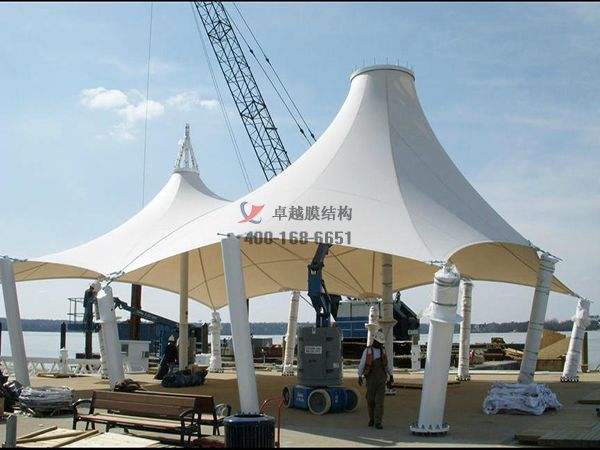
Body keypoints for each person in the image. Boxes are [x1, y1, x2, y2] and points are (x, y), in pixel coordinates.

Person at [357, 329, 394, 429]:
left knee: (379, 402)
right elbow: (362, 363)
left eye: (381, 343)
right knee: (370, 400)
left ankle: (378, 422)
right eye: (379, 343)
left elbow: (387, 364)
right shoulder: (367, 351)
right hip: (371, 379)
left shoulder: (383, 351)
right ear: (375, 341)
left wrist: (391, 376)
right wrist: (359, 375)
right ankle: (372, 419)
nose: (380, 345)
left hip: (381, 380)